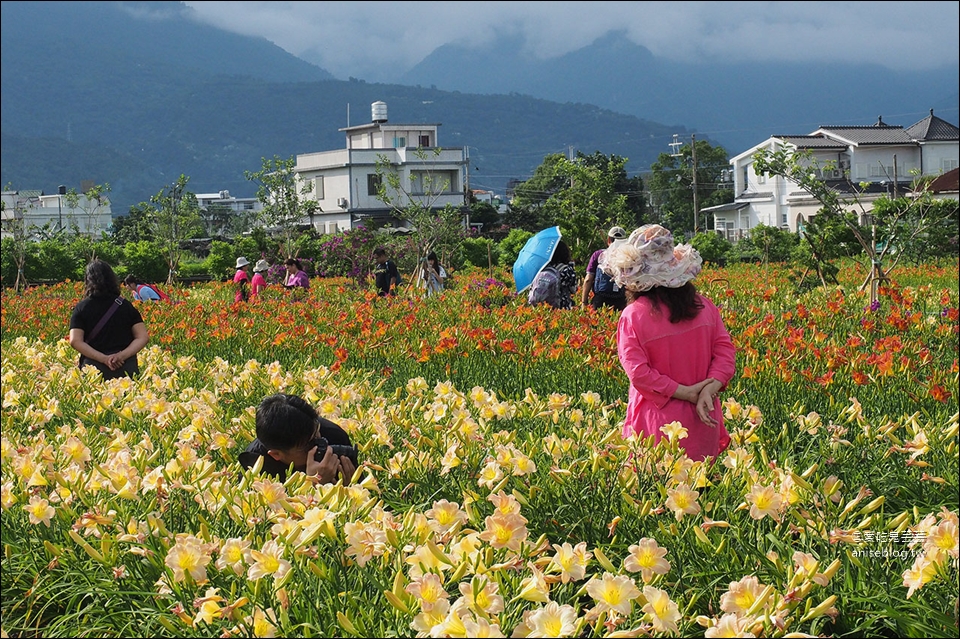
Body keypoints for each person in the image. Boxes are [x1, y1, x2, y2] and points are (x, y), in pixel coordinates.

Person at [603, 224, 736, 462]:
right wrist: (709, 389)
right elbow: (725, 352)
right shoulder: (705, 307)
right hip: (704, 416)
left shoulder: (633, 315)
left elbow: (638, 373)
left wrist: (686, 393)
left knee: (659, 492)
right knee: (700, 490)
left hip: (658, 425)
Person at [238, 393, 358, 484]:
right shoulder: (253, 465)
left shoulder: (333, 435)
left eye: (317, 434)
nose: (321, 445)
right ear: (276, 454)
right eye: (309, 445)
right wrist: (314, 483)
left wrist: (348, 486)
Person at [68, 260, 150, 380]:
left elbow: (75, 341)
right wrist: (121, 356)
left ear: (87, 280)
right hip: (125, 368)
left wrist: (104, 359)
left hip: (94, 370)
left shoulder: (82, 308)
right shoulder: (125, 306)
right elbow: (143, 337)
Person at [582, 226, 627, 311]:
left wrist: (584, 303)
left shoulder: (598, 255)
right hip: (620, 300)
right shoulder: (627, 257)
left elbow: (588, 279)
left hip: (600, 299)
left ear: (608, 240)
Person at [527, 239, 577, 309]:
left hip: (541, 306)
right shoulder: (567, 269)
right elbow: (573, 290)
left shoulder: (542, 268)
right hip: (561, 307)